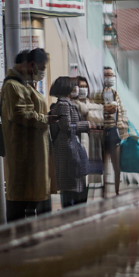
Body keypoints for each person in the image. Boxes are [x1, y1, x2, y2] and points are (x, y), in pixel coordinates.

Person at [2, 49, 52, 221]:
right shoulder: (13, 86)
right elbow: (21, 114)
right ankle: (18, 240)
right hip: (24, 152)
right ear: (31, 64)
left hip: (32, 152)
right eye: (41, 67)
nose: (42, 72)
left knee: (29, 198)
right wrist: (46, 119)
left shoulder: (23, 84)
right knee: (20, 202)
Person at [48, 77, 93, 208]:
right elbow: (66, 126)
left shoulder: (67, 104)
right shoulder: (63, 105)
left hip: (70, 147)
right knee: (70, 185)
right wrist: (86, 125)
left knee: (74, 183)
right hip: (67, 148)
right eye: (73, 86)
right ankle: (70, 213)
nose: (76, 88)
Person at [93, 67, 128, 196]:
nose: (109, 78)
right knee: (103, 166)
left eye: (111, 75)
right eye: (106, 75)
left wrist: (122, 130)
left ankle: (117, 191)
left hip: (114, 131)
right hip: (102, 133)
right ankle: (104, 192)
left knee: (116, 165)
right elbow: (93, 110)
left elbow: (122, 113)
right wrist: (105, 109)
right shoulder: (97, 95)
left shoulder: (115, 94)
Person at [72, 76, 103, 202]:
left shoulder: (90, 104)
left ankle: (83, 203)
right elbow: (92, 113)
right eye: (80, 86)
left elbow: (100, 117)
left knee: (89, 178)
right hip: (79, 143)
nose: (83, 89)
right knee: (79, 178)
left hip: (93, 144)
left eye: (85, 87)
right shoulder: (74, 104)